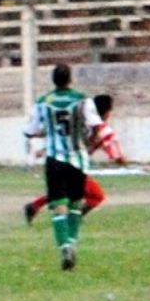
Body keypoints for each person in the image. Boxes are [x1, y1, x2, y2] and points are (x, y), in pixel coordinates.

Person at [23, 63, 103, 271]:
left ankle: (65, 247)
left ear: (53, 80)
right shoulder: (83, 100)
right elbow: (97, 126)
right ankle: (72, 243)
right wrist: (90, 142)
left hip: (55, 159)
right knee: (75, 205)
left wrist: (47, 132)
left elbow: (29, 131)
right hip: (78, 160)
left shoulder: (43, 102)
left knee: (59, 206)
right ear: (70, 79)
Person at [23, 94, 126, 224]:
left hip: (57, 162)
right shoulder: (104, 131)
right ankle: (73, 218)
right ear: (107, 112)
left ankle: (34, 207)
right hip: (76, 165)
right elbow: (118, 157)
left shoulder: (78, 121)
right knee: (96, 196)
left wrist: (44, 149)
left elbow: (61, 135)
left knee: (65, 192)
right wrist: (127, 162)